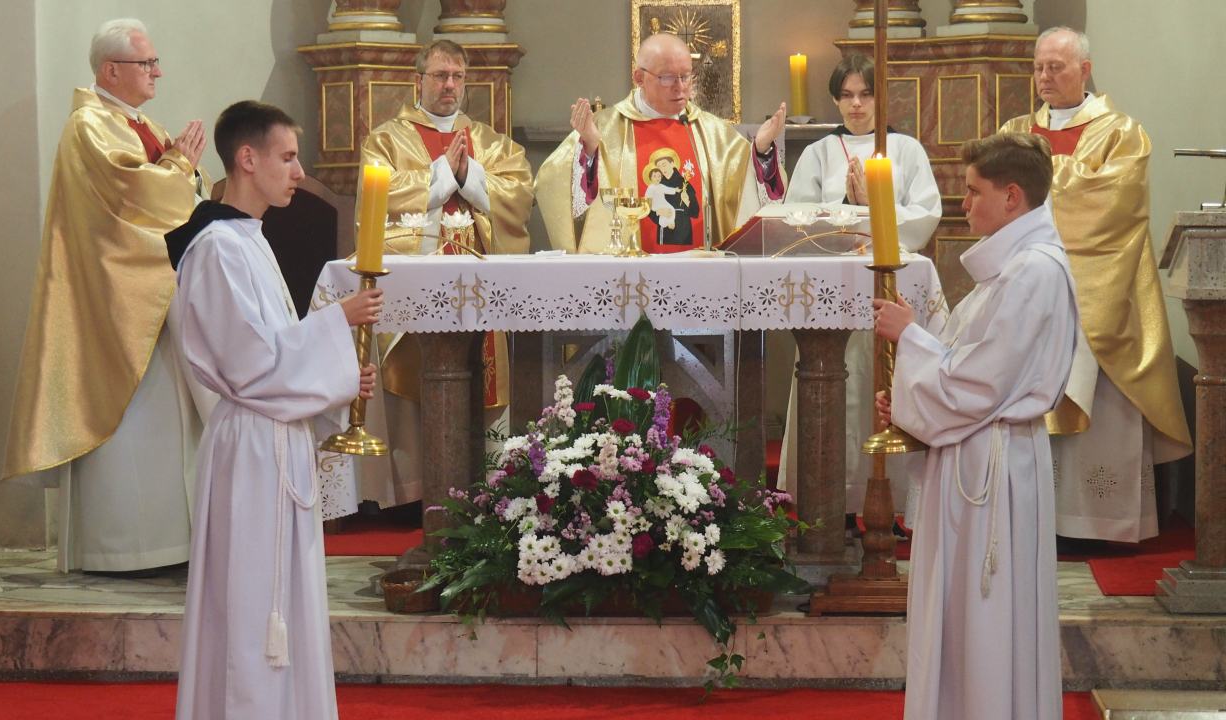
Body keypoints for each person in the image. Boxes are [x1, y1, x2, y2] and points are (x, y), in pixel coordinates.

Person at [169, 100, 382, 720]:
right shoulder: (217, 247)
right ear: (247, 158)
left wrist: (341, 378)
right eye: (287, 157)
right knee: (253, 604)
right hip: (252, 450)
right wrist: (335, 326)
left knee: (281, 599)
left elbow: (274, 351)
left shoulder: (249, 240)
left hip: (274, 441)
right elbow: (250, 364)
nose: (298, 171)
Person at [873, 133, 1075, 719]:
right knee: (968, 617)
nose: (962, 204)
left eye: (973, 191)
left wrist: (910, 341)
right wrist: (910, 398)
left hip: (992, 470)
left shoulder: (1033, 272)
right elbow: (969, 365)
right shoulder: (1011, 268)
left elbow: (981, 384)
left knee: (987, 617)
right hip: (979, 456)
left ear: (1012, 196)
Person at [2, 18, 213, 574]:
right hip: (115, 298)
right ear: (111, 70)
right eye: (147, 63)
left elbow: (183, 191)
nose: (157, 72)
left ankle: (169, 543)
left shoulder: (138, 123)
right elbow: (134, 194)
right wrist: (180, 166)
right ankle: (119, 549)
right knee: (132, 422)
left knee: (166, 423)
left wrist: (186, 173)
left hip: (153, 290)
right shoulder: (90, 126)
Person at [1001, 27, 1192, 545]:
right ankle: (1036, 519)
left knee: (1103, 409)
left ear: (1084, 70)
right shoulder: (1014, 132)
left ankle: (1100, 526)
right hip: (1033, 290)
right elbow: (999, 199)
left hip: (1103, 288)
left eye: (1056, 67)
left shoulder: (1121, 132)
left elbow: (1112, 204)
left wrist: (1041, 179)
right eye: (1038, 67)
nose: (1044, 77)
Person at [353, 39, 534, 513]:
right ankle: (420, 488)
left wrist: (469, 173)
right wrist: (441, 174)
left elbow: (519, 194)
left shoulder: (490, 142)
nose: (449, 85)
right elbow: (377, 192)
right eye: (439, 76)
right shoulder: (386, 140)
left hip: (479, 276)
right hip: (422, 272)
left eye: (457, 76)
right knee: (413, 369)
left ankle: (488, 479)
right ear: (418, 81)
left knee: (485, 371)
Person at [779, 53, 942, 525]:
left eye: (866, 94)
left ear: (881, 97)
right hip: (831, 286)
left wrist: (874, 206)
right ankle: (831, 502)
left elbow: (925, 216)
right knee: (838, 383)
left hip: (890, 282)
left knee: (887, 383)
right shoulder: (819, 152)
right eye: (847, 95)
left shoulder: (906, 149)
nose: (856, 104)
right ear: (834, 99)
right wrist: (845, 204)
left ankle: (893, 500)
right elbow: (797, 221)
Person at [535, 32, 787, 254]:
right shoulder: (603, 127)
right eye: (667, 78)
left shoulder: (711, 131)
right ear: (639, 77)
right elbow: (554, 185)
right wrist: (589, 149)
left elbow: (745, 193)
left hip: (701, 269)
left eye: (686, 76)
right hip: (628, 276)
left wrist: (761, 151)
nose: (680, 87)